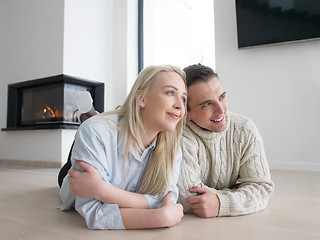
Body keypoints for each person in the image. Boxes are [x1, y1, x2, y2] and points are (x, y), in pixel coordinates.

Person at [58, 65, 187, 230]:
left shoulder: (172, 148)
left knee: (95, 131)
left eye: (183, 98)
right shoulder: (94, 133)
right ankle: (94, 118)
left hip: (107, 152)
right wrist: (158, 217)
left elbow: (164, 200)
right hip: (73, 176)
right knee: (89, 133)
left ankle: (96, 116)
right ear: (141, 98)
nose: (180, 106)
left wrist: (102, 190)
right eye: (170, 92)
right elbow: (95, 212)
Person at [177, 64, 274, 218]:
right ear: (186, 112)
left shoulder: (245, 129)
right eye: (207, 104)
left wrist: (221, 202)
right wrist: (238, 193)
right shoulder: (180, 135)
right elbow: (185, 196)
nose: (221, 110)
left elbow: (262, 188)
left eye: (222, 97)